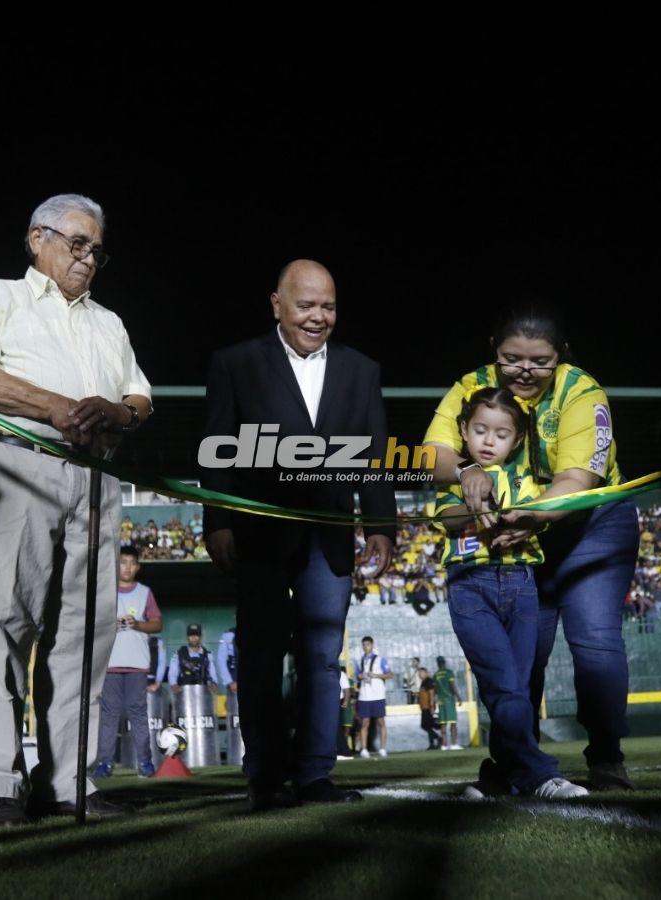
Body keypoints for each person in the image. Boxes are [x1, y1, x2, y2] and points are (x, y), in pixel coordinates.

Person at [0, 193, 152, 826]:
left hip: (96, 474)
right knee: (2, 620)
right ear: (38, 239)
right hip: (17, 458)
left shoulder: (108, 322)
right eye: (77, 243)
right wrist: (57, 408)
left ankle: (68, 782)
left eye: (97, 250)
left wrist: (117, 412)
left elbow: (140, 394)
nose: (88, 258)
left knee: (85, 635)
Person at [202, 259, 395, 810]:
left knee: (322, 657)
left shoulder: (362, 370)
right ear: (277, 304)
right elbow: (215, 450)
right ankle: (263, 776)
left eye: (328, 306)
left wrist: (380, 525)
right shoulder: (234, 364)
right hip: (259, 535)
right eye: (306, 305)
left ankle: (314, 775)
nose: (318, 317)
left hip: (330, 538)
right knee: (261, 653)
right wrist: (217, 521)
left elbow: (377, 455)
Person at [424, 308, 640, 791]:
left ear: (560, 356)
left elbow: (578, 479)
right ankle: (514, 762)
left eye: (539, 361)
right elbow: (430, 454)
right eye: (511, 358)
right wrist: (464, 471)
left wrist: (533, 518)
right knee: (524, 656)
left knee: (595, 640)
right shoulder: (470, 385)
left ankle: (606, 756)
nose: (524, 370)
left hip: (591, 528)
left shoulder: (582, 392)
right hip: (510, 536)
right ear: (493, 350)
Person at [434, 387, 587, 798]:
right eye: (480, 430)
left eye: (501, 434)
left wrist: (530, 517)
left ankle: (501, 776)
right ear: (463, 429)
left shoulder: (531, 479)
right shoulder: (457, 474)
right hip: (470, 586)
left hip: (521, 585)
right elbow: (445, 517)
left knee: (517, 687)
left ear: (517, 440)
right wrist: (472, 503)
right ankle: (539, 774)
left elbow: (548, 512)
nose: (488, 441)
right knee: (502, 683)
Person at [93, 545, 162, 779]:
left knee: (138, 714)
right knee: (109, 716)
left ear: (138, 567)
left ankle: (145, 762)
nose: (127, 567)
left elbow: (158, 624)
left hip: (136, 664)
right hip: (110, 663)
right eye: (123, 562)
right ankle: (104, 763)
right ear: (116, 564)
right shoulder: (105, 591)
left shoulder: (145, 592)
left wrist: (138, 624)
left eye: (132, 563)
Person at [356, 635, 392, 758]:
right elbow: (358, 675)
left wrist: (375, 675)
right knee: (364, 722)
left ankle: (382, 748)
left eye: (367, 644)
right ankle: (364, 749)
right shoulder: (360, 660)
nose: (365, 647)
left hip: (378, 695)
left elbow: (389, 674)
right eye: (364, 645)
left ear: (372, 645)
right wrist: (361, 676)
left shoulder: (380, 659)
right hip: (364, 695)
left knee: (380, 721)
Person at [168, 624, 219, 692]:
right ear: (187, 637)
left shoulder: (207, 655)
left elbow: (213, 674)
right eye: (191, 635)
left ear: (200, 637)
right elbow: (173, 673)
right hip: (184, 693)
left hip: (203, 693)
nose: (194, 638)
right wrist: (174, 685)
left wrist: (214, 684)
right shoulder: (179, 654)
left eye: (196, 635)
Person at [433, 656, 461, 750]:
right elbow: (452, 686)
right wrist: (458, 697)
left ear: (437, 663)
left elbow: (435, 690)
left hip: (441, 702)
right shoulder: (449, 673)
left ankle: (444, 745)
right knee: (453, 723)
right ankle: (454, 744)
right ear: (444, 663)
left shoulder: (435, 675)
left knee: (443, 724)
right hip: (449, 700)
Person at [416, 666, 441, 750]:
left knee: (424, 725)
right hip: (424, 707)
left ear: (426, 673)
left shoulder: (429, 681)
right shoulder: (423, 682)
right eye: (419, 673)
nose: (420, 674)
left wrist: (431, 706)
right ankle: (432, 744)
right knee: (428, 726)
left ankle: (438, 738)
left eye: (421, 673)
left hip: (428, 707)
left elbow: (431, 694)